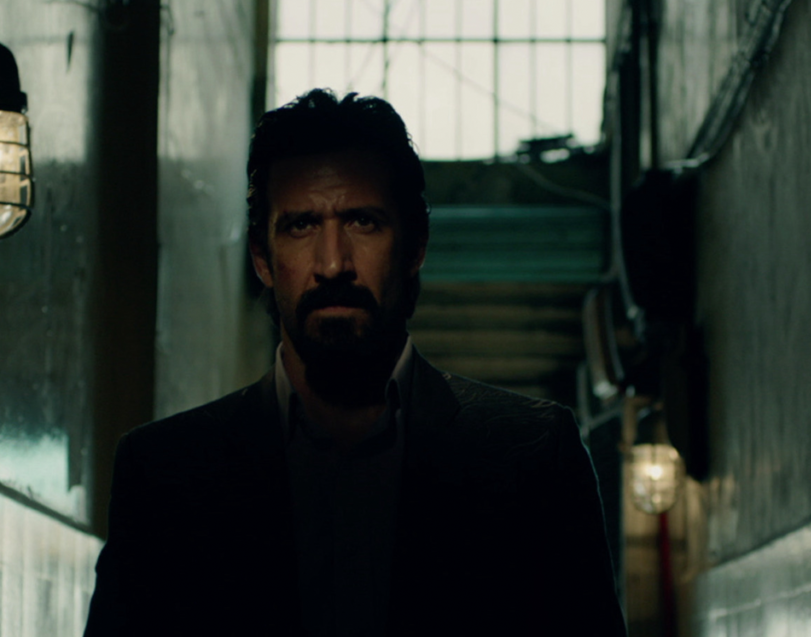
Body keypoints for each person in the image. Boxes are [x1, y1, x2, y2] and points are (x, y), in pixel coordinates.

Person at [84, 89, 626, 637]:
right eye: (301, 225)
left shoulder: (535, 457)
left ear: (415, 247)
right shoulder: (163, 474)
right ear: (262, 259)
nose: (332, 263)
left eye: (363, 222)